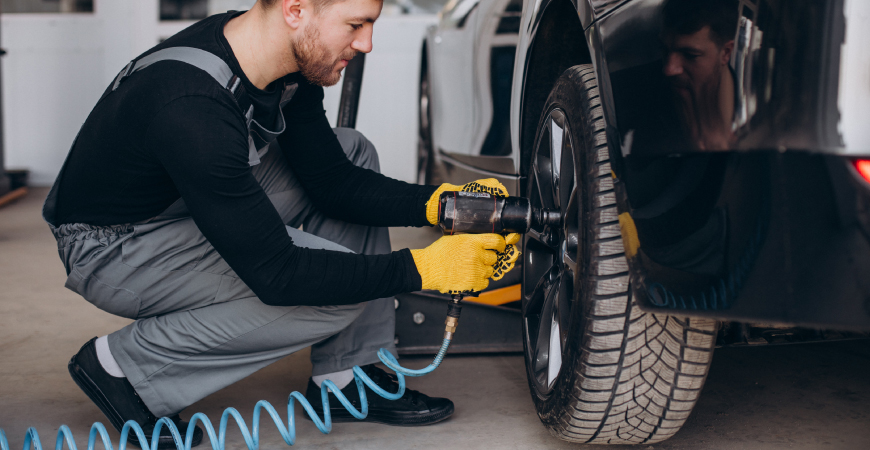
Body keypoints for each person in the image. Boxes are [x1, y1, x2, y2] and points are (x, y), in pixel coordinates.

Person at [41, 0, 519, 447]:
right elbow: (278, 273)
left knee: (351, 148)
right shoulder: (190, 105)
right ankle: (125, 367)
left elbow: (332, 181)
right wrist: (425, 268)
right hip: (113, 247)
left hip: (176, 203)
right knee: (333, 299)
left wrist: (444, 203)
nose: (367, 43)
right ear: (295, 10)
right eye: (356, 25)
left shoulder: (281, 60)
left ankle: (345, 377)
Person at [662, 0, 738, 151]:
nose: (669, 69)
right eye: (664, 51)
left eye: (690, 55)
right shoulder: (641, 100)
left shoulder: (758, 115)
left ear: (726, 53)